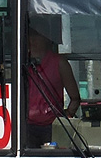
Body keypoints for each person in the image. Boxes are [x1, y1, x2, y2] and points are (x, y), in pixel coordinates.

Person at [26, 16, 81, 148]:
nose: (33, 40)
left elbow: (75, 98)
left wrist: (65, 117)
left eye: (38, 35)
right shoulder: (22, 63)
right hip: (25, 127)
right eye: (31, 35)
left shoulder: (60, 63)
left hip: (52, 126)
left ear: (46, 38)